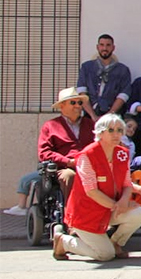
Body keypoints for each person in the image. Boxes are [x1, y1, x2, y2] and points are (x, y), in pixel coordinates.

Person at [52, 114, 141, 261]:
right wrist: (118, 206)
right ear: (100, 133)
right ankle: (64, 243)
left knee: (139, 213)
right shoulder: (87, 155)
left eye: (120, 130)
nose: (116, 134)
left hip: (110, 209)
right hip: (86, 213)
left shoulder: (123, 153)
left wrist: (124, 200)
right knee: (105, 255)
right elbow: (91, 191)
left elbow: (127, 183)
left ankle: (115, 243)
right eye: (111, 130)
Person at [7, 88, 96, 217]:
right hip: (65, 167)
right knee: (68, 177)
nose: (77, 106)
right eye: (73, 103)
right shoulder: (51, 126)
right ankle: (70, 216)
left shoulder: (90, 125)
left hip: (90, 166)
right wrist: (68, 162)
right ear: (62, 106)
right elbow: (44, 153)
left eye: (80, 103)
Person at [76, 33, 132, 121]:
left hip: (113, 117)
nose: (105, 48)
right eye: (102, 45)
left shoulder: (123, 70)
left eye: (108, 45)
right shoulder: (86, 67)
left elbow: (123, 95)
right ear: (97, 47)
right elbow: (82, 92)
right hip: (89, 115)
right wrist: (92, 115)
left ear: (113, 48)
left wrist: (109, 115)